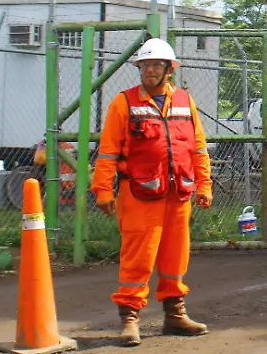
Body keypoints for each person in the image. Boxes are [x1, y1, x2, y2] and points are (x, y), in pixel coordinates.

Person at [90, 38, 213, 346]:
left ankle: (175, 314)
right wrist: (103, 189)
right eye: (145, 65)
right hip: (139, 194)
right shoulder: (124, 102)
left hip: (178, 194)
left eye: (156, 65)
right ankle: (130, 319)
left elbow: (197, 147)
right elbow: (106, 153)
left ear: (169, 70)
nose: (149, 70)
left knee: (175, 256)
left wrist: (205, 184)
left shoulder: (185, 101)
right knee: (137, 258)